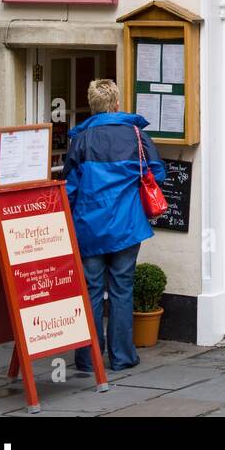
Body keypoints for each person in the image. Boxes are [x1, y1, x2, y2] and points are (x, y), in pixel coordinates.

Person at [63, 79, 165, 373]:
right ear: (117, 104)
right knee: (122, 289)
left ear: (93, 106)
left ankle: (88, 357)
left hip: (89, 226)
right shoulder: (136, 135)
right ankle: (122, 356)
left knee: (92, 290)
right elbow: (156, 173)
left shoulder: (81, 140)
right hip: (126, 225)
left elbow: (70, 188)